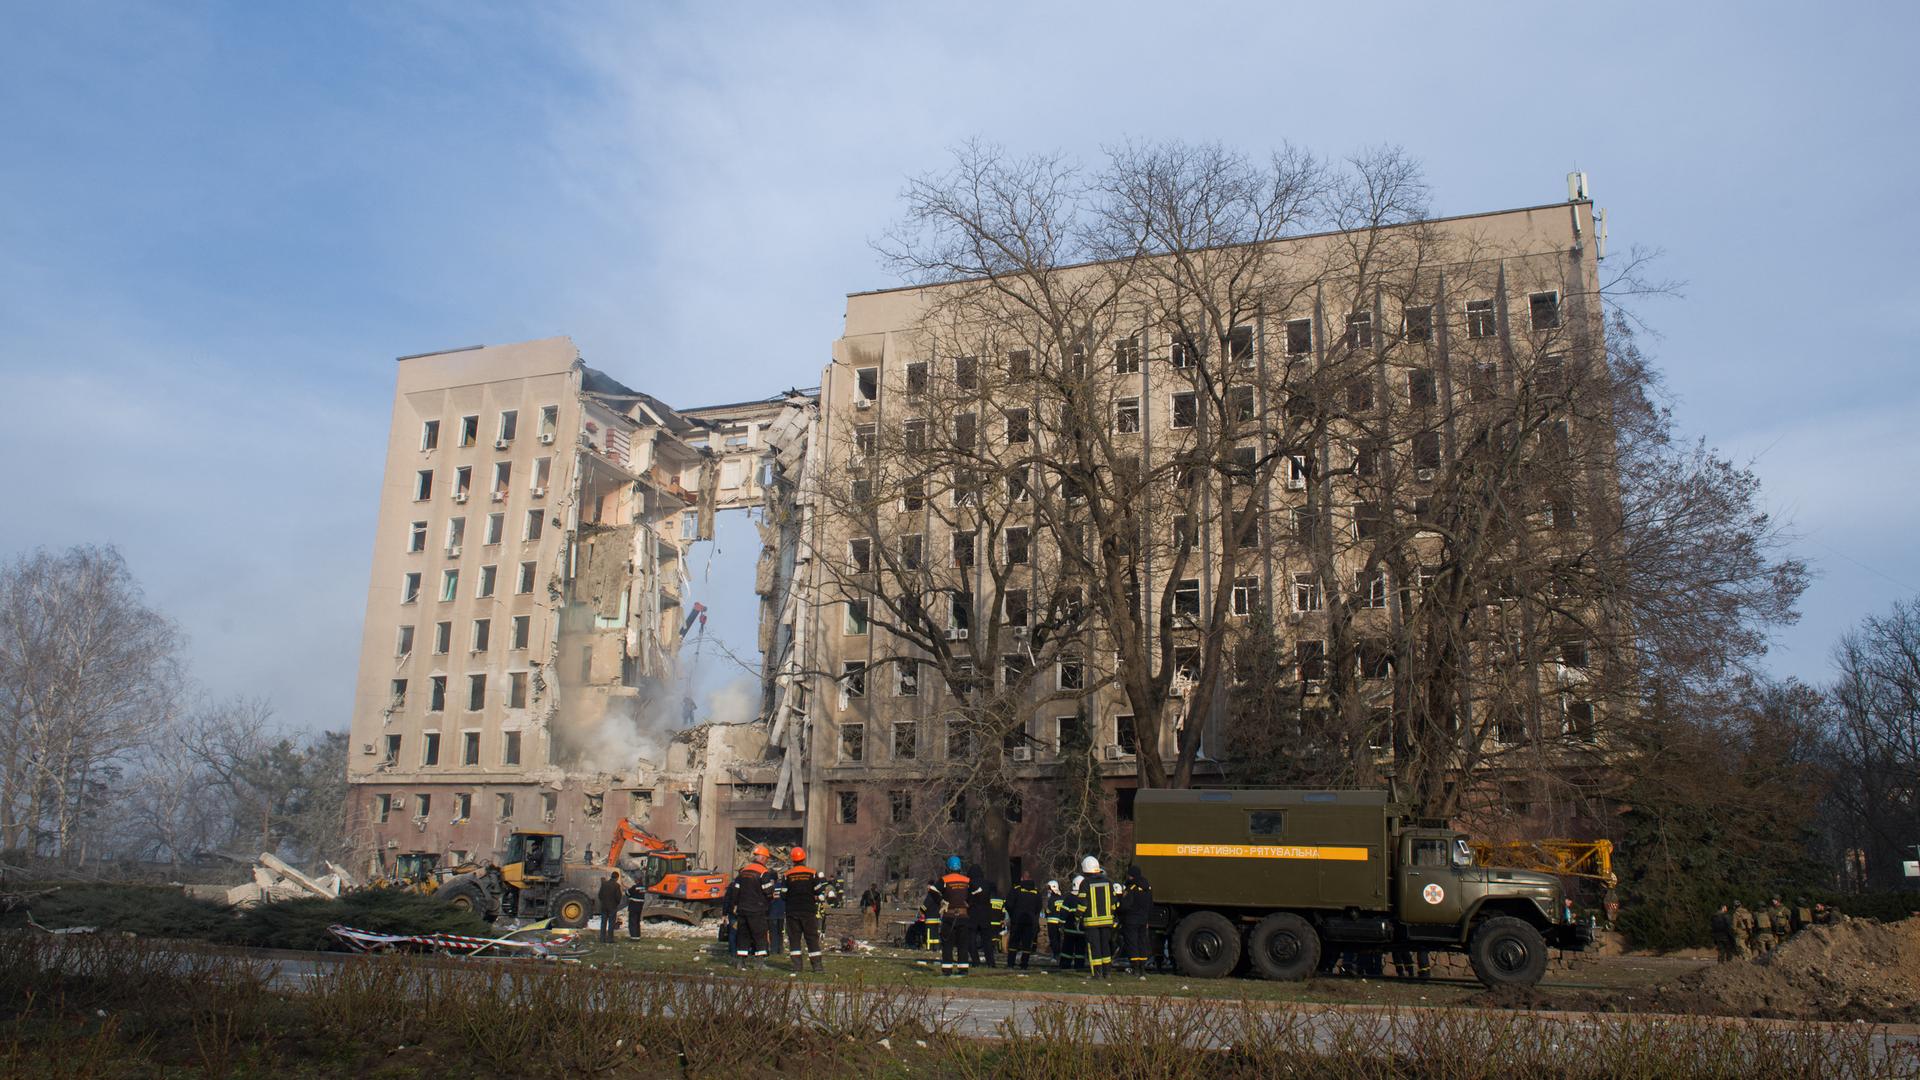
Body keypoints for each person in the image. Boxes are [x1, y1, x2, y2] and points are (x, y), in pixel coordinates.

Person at [730, 844, 776, 969]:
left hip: (742, 909)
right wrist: (769, 901)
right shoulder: (763, 873)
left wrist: (734, 905)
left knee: (743, 935)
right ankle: (760, 964)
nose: (767, 861)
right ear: (762, 858)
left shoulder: (744, 871)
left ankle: (740, 963)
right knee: (760, 935)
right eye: (766, 858)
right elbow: (768, 892)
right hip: (757, 909)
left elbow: (735, 890)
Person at [783, 846, 825, 974]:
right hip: (808, 911)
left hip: (792, 912)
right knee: (812, 938)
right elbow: (820, 892)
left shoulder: (787, 875)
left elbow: (783, 895)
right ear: (804, 858)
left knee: (794, 939)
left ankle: (797, 967)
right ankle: (817, 966)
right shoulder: (812, 873)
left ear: (793, 860)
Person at [1076, 856, 1115, 980]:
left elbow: (1083, 904)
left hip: (1091, 922)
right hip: (1107, 921)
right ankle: (1107, 972)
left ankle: (1097, 974)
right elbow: (1114, 903)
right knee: (1105, 946)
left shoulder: (1085, 883)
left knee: (1095, 948)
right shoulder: (1108, 882)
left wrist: (1077, 916)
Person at [932, 856, 971, 976]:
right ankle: (963, 969)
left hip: (949, 916)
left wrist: (941, 901)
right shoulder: (967, 880)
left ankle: (947, 969)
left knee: (947, 943)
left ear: (948, 868)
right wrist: (969, 903)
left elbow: (933, 890)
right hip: (963, 916)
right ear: (960, 867)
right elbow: (978, 892)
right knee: (963, 944)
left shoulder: (944, 880)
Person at [1118, 864, 1153, 976]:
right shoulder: (1147, 888)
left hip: (1131, 920)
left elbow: (1125, 905)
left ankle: (1135, 967)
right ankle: (1142, 967)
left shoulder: (1131, 888)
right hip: (1143, 920)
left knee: (1132, 943)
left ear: (1131, 876)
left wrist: (1119, 909)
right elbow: (1150, 905)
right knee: (1142, 942)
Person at [1005, 870, 1041, 970]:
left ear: (1022, 878)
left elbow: (1008, 904)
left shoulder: (1016, 889)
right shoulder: (1036, 892)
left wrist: (1013, 914)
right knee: (1027, 944)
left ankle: (1010, 964)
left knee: (1013, 943)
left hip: (1017, 921)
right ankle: (1024, 964)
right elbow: (1039, 907)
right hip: (1030, 921)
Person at [966, 864, 998, 969]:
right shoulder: (989, 884)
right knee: (987, 940)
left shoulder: (969, 884)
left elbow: (967, 899)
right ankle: (990, 962)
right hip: (986, 914)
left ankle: (976, 961)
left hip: (973, 915)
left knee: (971, 939)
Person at [1043, 880, 1069, 965]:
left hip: (1052, 921)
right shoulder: (1062, 898)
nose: (1048, 890)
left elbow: (1048, 910)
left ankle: (1055, 955)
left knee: (1054, 939)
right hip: (1061, 921)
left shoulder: (1052, 899)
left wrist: (1046, 911)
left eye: (1049, 888)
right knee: (1060, 938)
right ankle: (1061, 954)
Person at [596, 871, 624, 945]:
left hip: (604, 906)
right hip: (612, 907)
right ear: (617, 878)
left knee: (603, 922)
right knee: (611, 923)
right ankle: (610, 938)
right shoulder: (617, 886)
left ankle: (602, 938)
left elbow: (600, 895)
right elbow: (618, 897)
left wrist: (603, 902)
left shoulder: (604, 884)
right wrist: (616, 904)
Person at [624, 873, 648, 940]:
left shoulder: (635, 887)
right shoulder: (643, 887)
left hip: (633, 906)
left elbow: (627, 893)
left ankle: (633, 936)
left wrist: (626, 890)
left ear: (637, 880)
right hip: (640, 907)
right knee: (637, 922)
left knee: (632, 922)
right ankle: (637, 936)